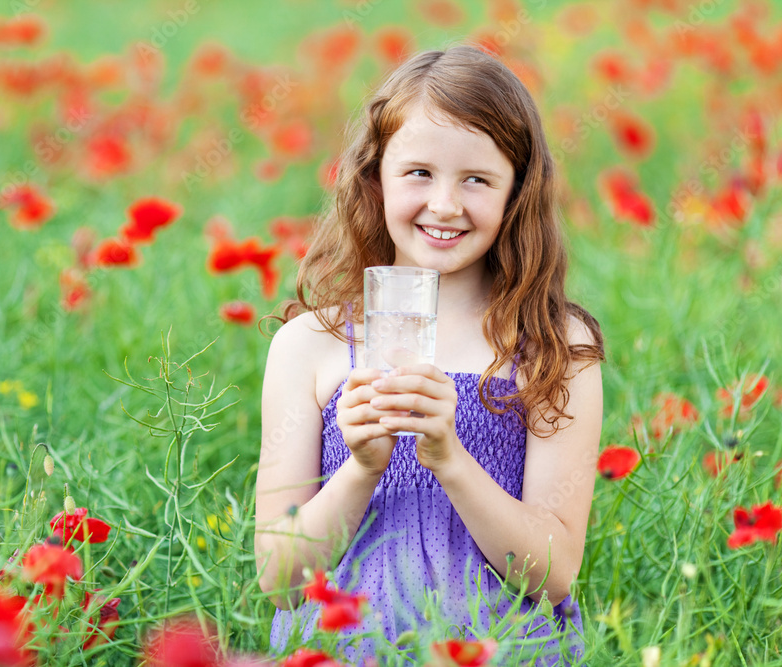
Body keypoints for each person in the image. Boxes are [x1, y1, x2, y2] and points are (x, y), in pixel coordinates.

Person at [254, 44, 604, 666]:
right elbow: (280, 577)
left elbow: (552, 576)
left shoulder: (556, 347)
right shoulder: (311, 345)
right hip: (343, 650)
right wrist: (360, 467)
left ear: (517, 193)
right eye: (418, 172)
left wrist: (449, 457)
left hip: (500, 652)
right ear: (373, 177)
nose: (445, 204)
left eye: (477, 179)